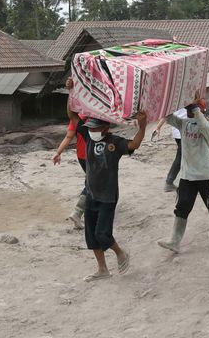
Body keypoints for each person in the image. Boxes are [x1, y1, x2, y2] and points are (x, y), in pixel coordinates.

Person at [66, 78, 148, 282]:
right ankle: (102, 269)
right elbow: (73, 116)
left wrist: (143, 126)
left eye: (95, 128)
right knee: (91, 236)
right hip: (91, 193)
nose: (91, 131)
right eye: (90, 128)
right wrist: (71, 92)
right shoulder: (86, 134)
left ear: (105, 128)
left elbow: (133, 145)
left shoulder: (114, 143)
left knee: (103, 234)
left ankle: (120, 253)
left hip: (108, 196)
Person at [158, 92, 209, 254]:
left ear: (199, 110)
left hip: (206, 175)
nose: (188, 110)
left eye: (192, 108)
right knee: (182, 207)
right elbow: (169, 117)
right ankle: (175, 241)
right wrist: (169, 100)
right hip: (187, 175)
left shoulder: (207, 127)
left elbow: (204, 126)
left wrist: (195, 107)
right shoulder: (184, 124)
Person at [52, 113, 88, 229]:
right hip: (94, 155)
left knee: (94, 182)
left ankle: (87, 210)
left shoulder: (77, 118)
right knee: (93, 183)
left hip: (81, 156)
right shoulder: (97, 114)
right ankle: (78, 212)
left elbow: (68, 137)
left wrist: (58, 152)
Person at [153, 107, 188, 192]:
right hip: (184, 132)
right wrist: (158, 127)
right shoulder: (187, 98)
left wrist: (158, 127)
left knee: (186, 157)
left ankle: (190, 183)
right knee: (181, 157)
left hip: (178, 132)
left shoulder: (175, 99)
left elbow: (166, 115)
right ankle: (169, 182)